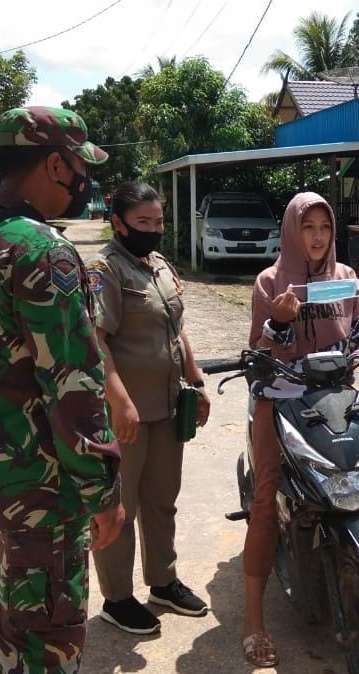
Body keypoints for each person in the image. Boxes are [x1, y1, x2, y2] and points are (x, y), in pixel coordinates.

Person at [0, 107, 125, 674]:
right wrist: (102, 492)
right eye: (80, 167)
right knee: (42, 640)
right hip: (39, 487)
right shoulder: (40, 250)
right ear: (54, 165)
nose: (84, 181)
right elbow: (72, 382)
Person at [242, 192, 359, 668]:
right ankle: (252, 621)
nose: (318, 236)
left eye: (325, 227)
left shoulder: (346, 278)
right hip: (283, 399)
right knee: (266, 501)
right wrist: (279, 322)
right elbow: (258, 351)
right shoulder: (270, 281)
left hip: (338, 399)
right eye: (308, 227)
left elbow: (358, 338)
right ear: (292, 231)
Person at [86, 181, 212, 635]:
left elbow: (177, 329)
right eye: (143, 222)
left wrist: (196, 381)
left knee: (162, 499)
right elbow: (96, 340)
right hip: (126, 414)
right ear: (118, 223)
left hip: (165, 407)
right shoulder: (104, 269)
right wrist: (119, 400)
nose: (153, 229)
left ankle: (163, 581)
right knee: (120, 507)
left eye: (158, 221)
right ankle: (117, 598)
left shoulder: (158, 265)